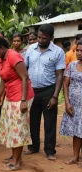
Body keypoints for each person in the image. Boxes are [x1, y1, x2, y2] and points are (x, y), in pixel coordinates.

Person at [0, 36, 34, 171]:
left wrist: (24, 100)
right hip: (10, 95)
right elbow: (3, 78)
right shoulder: (1, 59)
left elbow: (25, 77)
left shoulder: (14, 56)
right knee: (10, 126)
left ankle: (15, 162)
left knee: (17, 128)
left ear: (2, 48)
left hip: (21, 96)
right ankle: (17, 157)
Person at [24, 24, 65, 160]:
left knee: (49, 122)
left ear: (51, 38)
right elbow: (25, 69)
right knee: (33, 121)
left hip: (48, 91)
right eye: (39, 37)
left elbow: (59, 74)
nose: (41, 40)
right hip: (32, 91)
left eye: (44, 38)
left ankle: (50, 151)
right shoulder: (30, 49)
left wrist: (55, 96)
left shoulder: (58, 52)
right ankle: (33, 147)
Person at [60, 40, 82, 167]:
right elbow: (66, 84)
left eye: (81, 51)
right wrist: (67, 102)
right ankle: (75, 156)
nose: (79, 53)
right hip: (75, 104)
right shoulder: (72, 66)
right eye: (77, 50)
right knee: (77, 130)